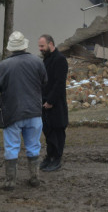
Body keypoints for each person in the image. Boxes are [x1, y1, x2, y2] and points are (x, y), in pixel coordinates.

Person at [0, 31, 46, 189]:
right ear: (25, 45)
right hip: (34, 110)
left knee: (11, 147)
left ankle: (10, 181)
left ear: (10, 48)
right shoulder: (37, 61)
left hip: (12, 112)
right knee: (34, 145)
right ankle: (35, 178)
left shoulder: (3, 65)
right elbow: (44, 81)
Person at [37, 34, 69, 172]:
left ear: (50, 44)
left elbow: (59, 83)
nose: (40, 49)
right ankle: (50, 156)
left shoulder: (60, 60)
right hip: (44, 102)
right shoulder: (46, 60)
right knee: (48, 131)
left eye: (42, 46)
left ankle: (56, 158)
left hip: (56, 104)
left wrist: (51, 101)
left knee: (57, 131)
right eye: (39, 46)